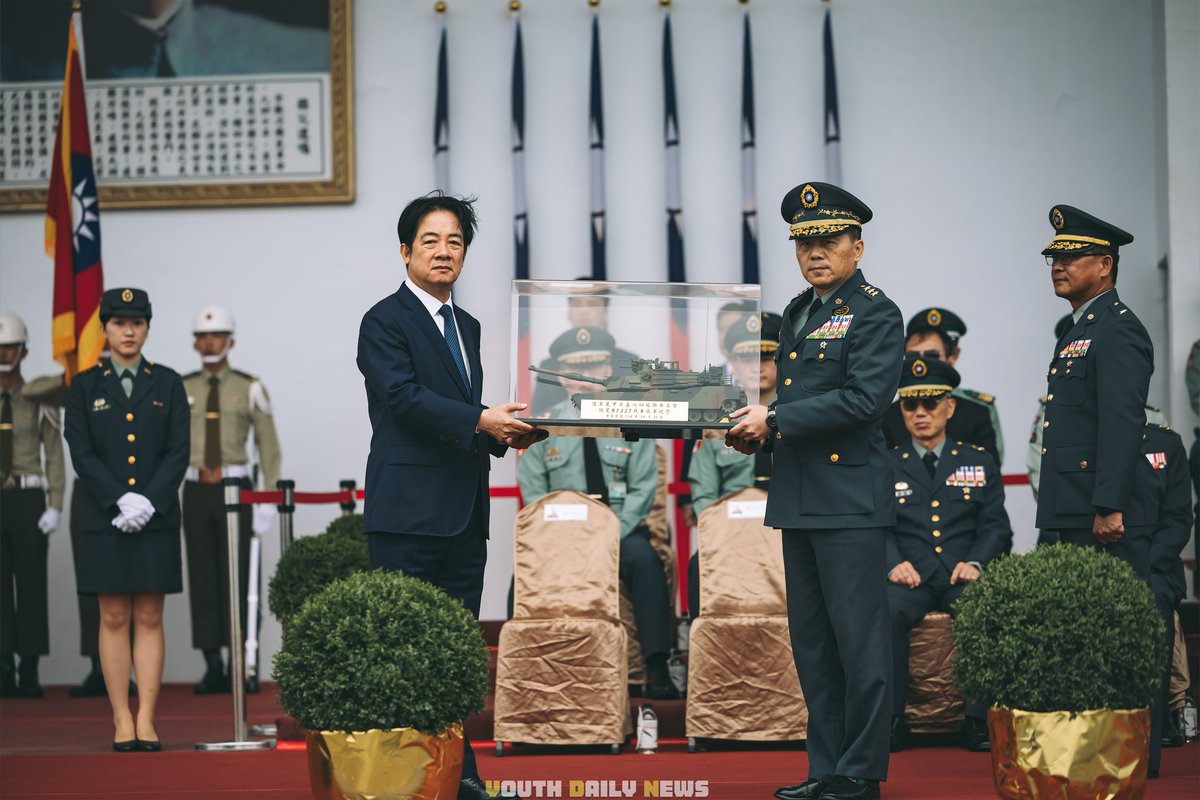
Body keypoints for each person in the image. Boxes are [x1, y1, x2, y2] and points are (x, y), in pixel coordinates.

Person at [356, 192, 544, 800]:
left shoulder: (468, 325)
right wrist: (483, 421)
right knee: (402, 652)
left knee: (455, 656)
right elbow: (405, 400)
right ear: (406, 251)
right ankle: (401, 778)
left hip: (464, 514)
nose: (444, 251)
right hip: (408, 516)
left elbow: (466, 417)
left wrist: (507, 431)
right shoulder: (383, 320)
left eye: (455, 241)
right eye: (431, 241)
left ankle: (455, 775)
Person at [727, 182, 903, 800]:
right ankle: (826, 767)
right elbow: (803, 404)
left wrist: (772, 420)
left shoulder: (876, 311)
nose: (815, 253)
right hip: (800, 496)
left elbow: (864, 399)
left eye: (828, 240)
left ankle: (861, 772)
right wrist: (762, 436)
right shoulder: (801, 310)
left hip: (850, 501)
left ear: (858, 245)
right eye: (804, 242)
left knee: (860, 645)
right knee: (814, 647)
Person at [518, 326, 678, 700]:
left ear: (609, 368)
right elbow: (534, 493)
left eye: (597, 365)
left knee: (647, 562)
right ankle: (527, 668)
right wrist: (565, 537)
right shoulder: (542, 426)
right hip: (561, 536)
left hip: (620, 533)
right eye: (577, 368)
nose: (587, 377)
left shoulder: (630, 422)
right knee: (521, 576)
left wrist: (609, 535)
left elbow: (643, 489)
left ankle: (656, 666)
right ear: (560, 374)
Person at [63, 287, 188, 752]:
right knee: (113, 614)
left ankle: (148, 718)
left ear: (147, 327)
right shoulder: (84, 385)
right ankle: (120, 716)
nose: (128, 331)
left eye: (137, 322)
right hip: (103, 516)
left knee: (150, 614)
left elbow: (178, 451)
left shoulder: (169, 383)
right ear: (105, 328)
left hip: (154, 517)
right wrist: (120, 500)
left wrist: (147, 501)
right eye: (119, 322)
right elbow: (81, 451)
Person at [884, 356, 1011, 753]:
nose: (921, 413)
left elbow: (996, 526)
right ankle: (891, 720)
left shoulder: (978, 460)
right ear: (902, 409)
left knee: (984, 609)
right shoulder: (885, 465)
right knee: (883, 612)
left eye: (931, 404)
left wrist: (976, 562)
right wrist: (891, 562)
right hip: (911, 577)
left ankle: (976, 720)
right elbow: (875, 527)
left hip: (961, 574)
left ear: (950, 407)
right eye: (910, 405)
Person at [1035, 205, 1155, 579]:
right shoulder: (1080, 328)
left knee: (1110, 627)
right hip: (1074, 503)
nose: (1058, 266)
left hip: (1101, 512)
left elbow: (1122, 420)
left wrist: (1109, 504)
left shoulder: (1117, 329)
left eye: (1070, 256)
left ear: (1105, 265)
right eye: (1054, 257)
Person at [181, 305, 281, 694]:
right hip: (195, 488)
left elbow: (268, 446)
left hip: (236, 488)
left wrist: (268, 498)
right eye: (203, 337)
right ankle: (212, 664)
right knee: (203, 577)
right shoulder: (182, 388)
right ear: (195, 343)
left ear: (231, 341)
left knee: (239, 577)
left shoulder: (249, 386)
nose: (210, 342)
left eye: (217, 336)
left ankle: (244, 661)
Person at [686, 311, 779, 616]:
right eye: (746, 357)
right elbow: (703, 493)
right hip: (731, 534)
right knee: (697, 565)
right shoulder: (715, 417)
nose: (757, 365)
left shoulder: (803, 416)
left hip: (788, 531)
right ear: (734, 363)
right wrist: (722, 533)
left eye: (767, 355)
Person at [0, 313, 66, 698]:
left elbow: (54, 454)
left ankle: (30, 668)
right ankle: (3, 665)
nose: (5, 353)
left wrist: (55, 501)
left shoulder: (37, 398)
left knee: (31, 584)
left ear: (24, 350)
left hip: (28, 498)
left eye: (11, 345)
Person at [1138, 419, 1193, 777]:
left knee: (1153, 600)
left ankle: (1150, 747)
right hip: (1100, 566)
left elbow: (1177, 520)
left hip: (1156, 570)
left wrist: (1142, 566)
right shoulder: (1080, 437)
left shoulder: (1165, 444)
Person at [881, 309, 1001, 465]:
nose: (922, 363)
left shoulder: (976, 413)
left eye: (932, 356)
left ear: (952, 357)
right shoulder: (888, 416)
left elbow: (989, 469)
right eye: (913, 356)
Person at [529, 281, 639, 416]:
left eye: (592, 304)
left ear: (606, 313)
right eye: (577, 304)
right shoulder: (549, 366)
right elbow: (539, 420)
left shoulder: (629, 364)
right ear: (568, 313)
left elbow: (639, 420)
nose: (584, 311)